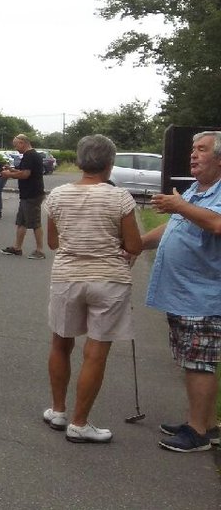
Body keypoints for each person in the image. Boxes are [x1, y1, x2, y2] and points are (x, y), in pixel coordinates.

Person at [41, 135, 142, 444]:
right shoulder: (121, 197)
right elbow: (135, 245)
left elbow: (53, 243)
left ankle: (58, 411)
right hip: (109, 280)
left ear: (80, 161)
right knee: (95, 352)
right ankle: (80, 423)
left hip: (67, 278)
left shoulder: (56, 196)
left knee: (61, 344)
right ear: (109, 165)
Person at [140, 130, 221, 453]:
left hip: (204, 295)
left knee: (200, 363)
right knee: (193, 361)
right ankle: (206, 424)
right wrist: (136, 244)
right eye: (192, 149)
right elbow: (176, 224)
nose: (193, 155)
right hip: (185, 294)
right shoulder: (197, 190)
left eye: (201, 150)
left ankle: (197, 432)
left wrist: (179, 206)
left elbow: (216, 225)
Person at [0, 134, 46, 258]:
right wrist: (11, 169)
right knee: (22, 222)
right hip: (27, 194)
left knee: (35, 223)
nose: (16, 148)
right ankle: (17, 248)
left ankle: (40, 250)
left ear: (23, 143)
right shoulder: (29, 155)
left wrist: (8, 174)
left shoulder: (30, 155)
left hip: (32, 193)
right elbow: (23, 171)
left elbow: (25, 174)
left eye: (16, 145)